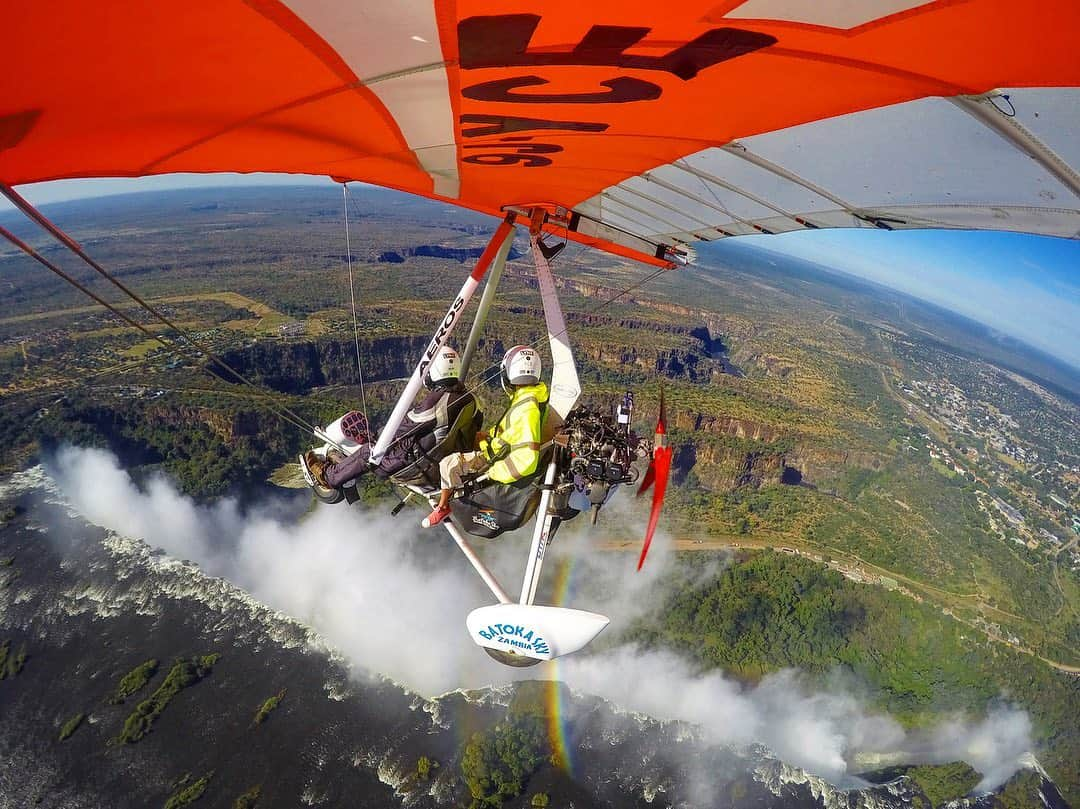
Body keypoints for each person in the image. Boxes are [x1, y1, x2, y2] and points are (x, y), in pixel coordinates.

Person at [304, 346, 474, 489]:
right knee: (379, 440)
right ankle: (346, 461)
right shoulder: (468, 398)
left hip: (417, 466)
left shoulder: (436, 401)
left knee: (369, 451)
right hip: (441, 460)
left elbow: (402, 428)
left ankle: (329, 477)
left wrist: (375, 437)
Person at [423, 345, 548, 528]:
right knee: (470, 438)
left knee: (447, 465)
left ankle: (443, 506)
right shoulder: (528, 398)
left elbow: (527, 458)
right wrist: (487, 437)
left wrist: (494, 472)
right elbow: (513, 431)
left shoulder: (527, 407)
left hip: (496, 460)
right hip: (498, 448)